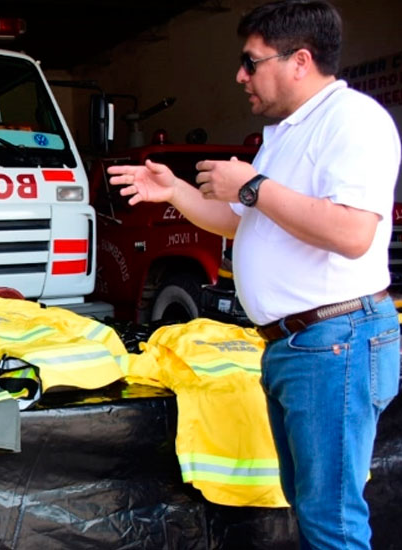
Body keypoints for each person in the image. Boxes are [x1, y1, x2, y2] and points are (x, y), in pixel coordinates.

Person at [107, 2, 400, 548]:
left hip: (336, 341)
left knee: (331, 520)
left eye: (251, 61)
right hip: (299, 345)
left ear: (299, 60)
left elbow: (353, 232)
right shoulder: (282, 135)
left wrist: (254, 186)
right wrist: (175, 191)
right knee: (312, 506)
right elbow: (236, 222)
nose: (240, 76)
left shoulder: (353, 122)